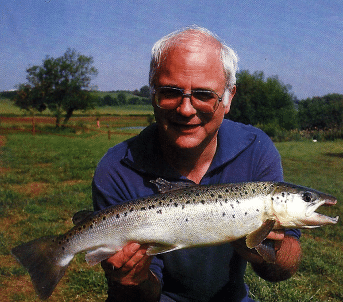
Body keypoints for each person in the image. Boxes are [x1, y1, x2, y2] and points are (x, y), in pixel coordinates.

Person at [92, 26, 302, 302]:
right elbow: (135, 295)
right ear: (152, 94)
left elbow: (283, 268)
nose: (186, 109)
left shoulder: (256, 149)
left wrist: (263, 253)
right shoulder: (116, 169)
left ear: (228, 99)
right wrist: (134, 279)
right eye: (170, 92)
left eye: (203, 95)